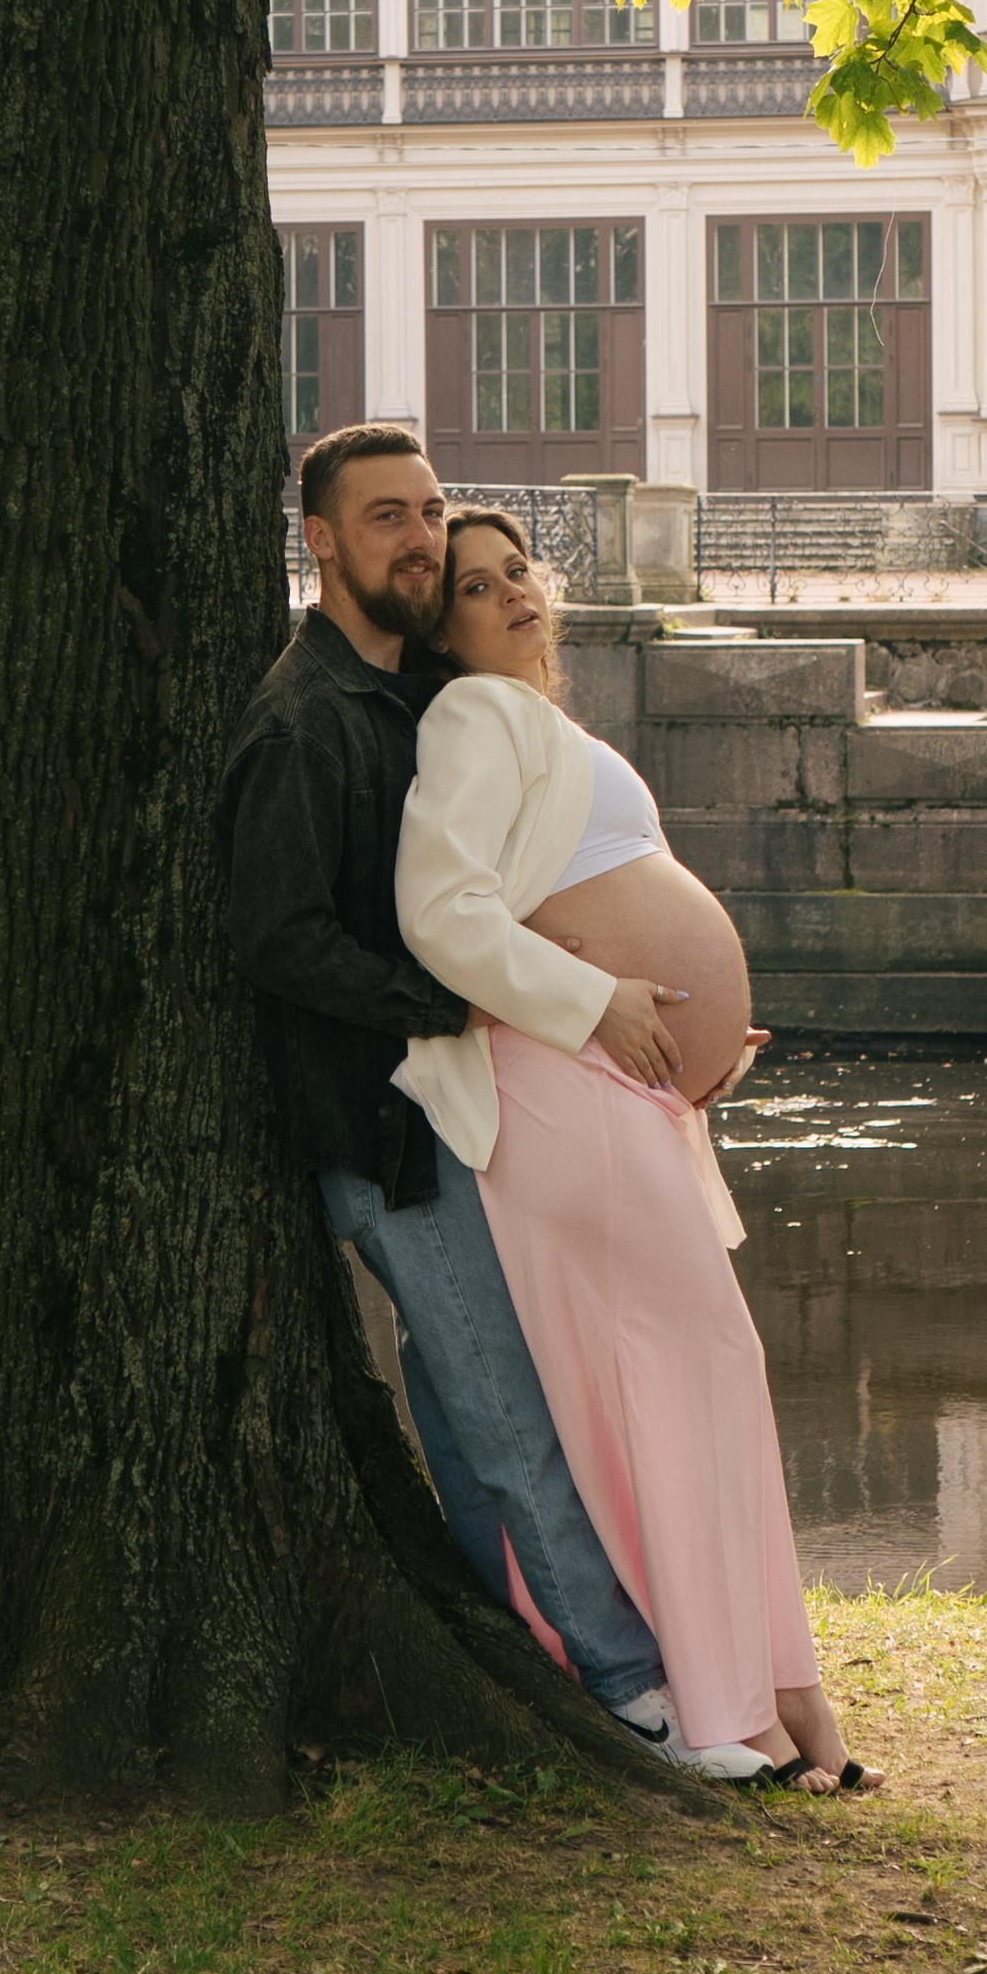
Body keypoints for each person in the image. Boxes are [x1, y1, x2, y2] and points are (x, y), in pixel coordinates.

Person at [219, 421, 730, 1773]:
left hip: (455, 1112)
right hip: (382, 1131)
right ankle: (634, 1691)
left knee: (466, 1409)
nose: (421, 538)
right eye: (385, 516)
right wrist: (465, 999)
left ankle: (519, 1645)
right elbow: (274, 935)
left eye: (430, 511)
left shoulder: (410, 694)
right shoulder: (306, 719)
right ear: (319, 541)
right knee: (507, 1413)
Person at [393, 508, 878, 1794]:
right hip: (558, 1082)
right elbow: (439, 913)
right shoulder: (470, 718)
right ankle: (722, 1704)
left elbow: (601, 890)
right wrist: (601, 1000)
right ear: (441, 632)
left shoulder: (547, 729)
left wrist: (705, 1024)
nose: (511, 598)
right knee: (677, 1368)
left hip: (620, 1088)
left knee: (692, 1368)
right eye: (476, 588)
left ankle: (785, 1704)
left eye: (519, 575)